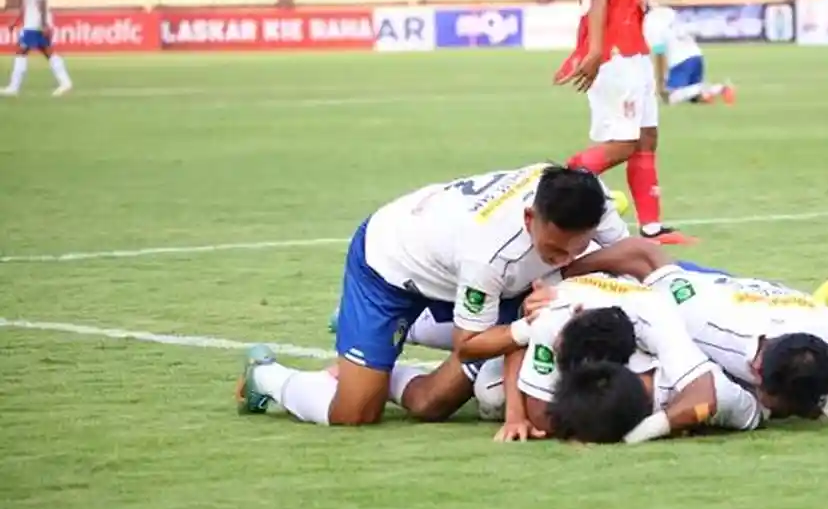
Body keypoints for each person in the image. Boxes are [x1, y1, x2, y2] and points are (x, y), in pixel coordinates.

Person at [235, 164, 628, 428]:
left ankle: (392, 350)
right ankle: (267, 377)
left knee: (431, 405)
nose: (566, 259)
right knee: (355, 413)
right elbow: (470, 345)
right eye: (554, 251)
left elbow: (626, 259)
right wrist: (527, 328)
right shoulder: (488, 253)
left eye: (576, 249)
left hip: (464, 269)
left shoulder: (593, 201)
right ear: (529, 219)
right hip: (390, 263)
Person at [552, 239, 828, 420]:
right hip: (696, 285)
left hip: (760, 298)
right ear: (757, 370)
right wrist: (569, 273)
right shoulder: (702, 322)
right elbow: (645, 253)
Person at [554, 0, 694, 247]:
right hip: (614, 53)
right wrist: (595, 50)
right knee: (624, 143)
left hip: (632, 48)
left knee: (646, 136)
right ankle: (563, 183)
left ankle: (651, 230)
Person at [516, 285, 766, 443]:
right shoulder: (553, 320)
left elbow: (708, 400)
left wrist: (641, 434)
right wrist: (514, 415)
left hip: (716, 301)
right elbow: (541, 416)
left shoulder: (656, 320)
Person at [3, 0, 72, 97]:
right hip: (33, 23)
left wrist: (44, 23)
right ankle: (65, 82)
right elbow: (28, 4)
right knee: (48, 52)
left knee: (22, 51)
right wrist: (16, 21)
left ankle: (13, 87)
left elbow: (42, 1)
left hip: (35, 25)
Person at [642, 4, 735, 106]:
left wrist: (660, 83)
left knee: (669, 97)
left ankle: (718, 89)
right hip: (696, 55)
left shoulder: (649, 25)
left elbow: (659, 53)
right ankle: (706, 94)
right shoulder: (665, 11)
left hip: (680, 61)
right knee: (692, 96)